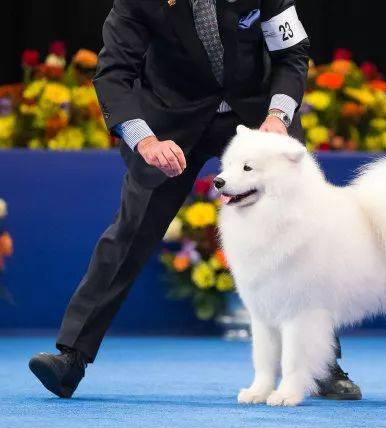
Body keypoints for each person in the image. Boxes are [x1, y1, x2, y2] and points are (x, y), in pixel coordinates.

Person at [28, 0, 361, 401]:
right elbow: (114, 74)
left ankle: (323, 367)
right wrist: (145, 141)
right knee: (130, 232)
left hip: (260, 118)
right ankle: (71, 358)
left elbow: (291, 53)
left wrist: (278, 117)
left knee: (305, 239)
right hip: (169, 125)